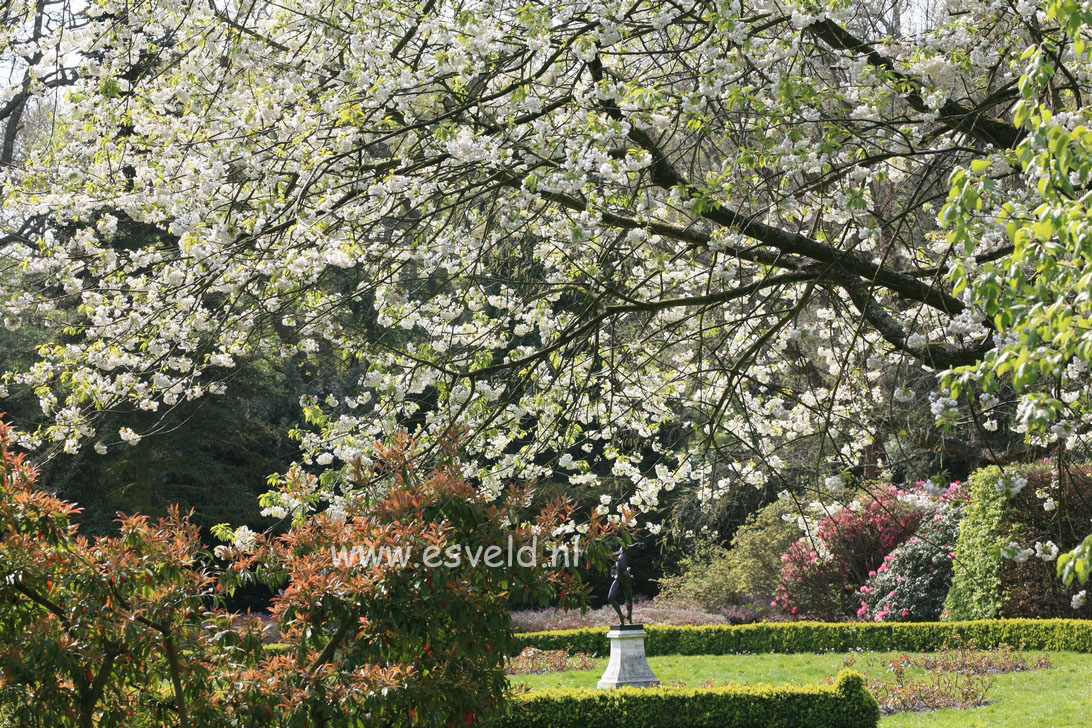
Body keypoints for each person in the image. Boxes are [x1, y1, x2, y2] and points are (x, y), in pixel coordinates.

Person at [607, 544, 634, 626]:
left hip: (626, 580)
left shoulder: (625, 553)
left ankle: (629, 616)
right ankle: (621, 615)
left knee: (629, 599)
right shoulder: (618, 556)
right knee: (610, 598)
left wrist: (638, 544)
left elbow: (632, 546)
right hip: (618, 580)